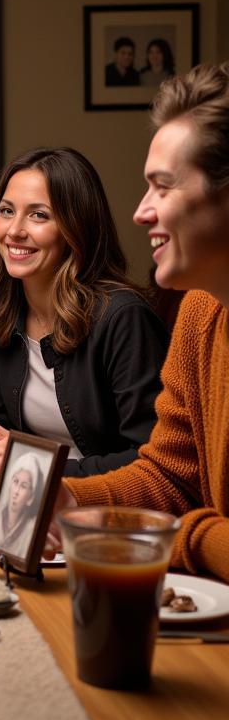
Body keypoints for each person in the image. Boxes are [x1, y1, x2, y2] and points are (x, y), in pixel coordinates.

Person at [56, 63, 229, 581]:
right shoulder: (200, 313)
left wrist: (179, 536)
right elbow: (171, 479)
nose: (140, 212)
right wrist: (67, 498)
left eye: (162, 187)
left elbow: (180, 514)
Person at [0, 146, 168, 490]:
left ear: (76, 228)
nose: (14, 231)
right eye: (7, 211)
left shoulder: (123, 318)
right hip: (31, 503)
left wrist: (31, 465)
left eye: (39, 215)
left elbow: (153, 459)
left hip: (109, 513)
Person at [0, 452, 44, 562]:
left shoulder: (31, 531)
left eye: (24, 486)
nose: (16, 491)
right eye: (15, 482)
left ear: (31, 497)